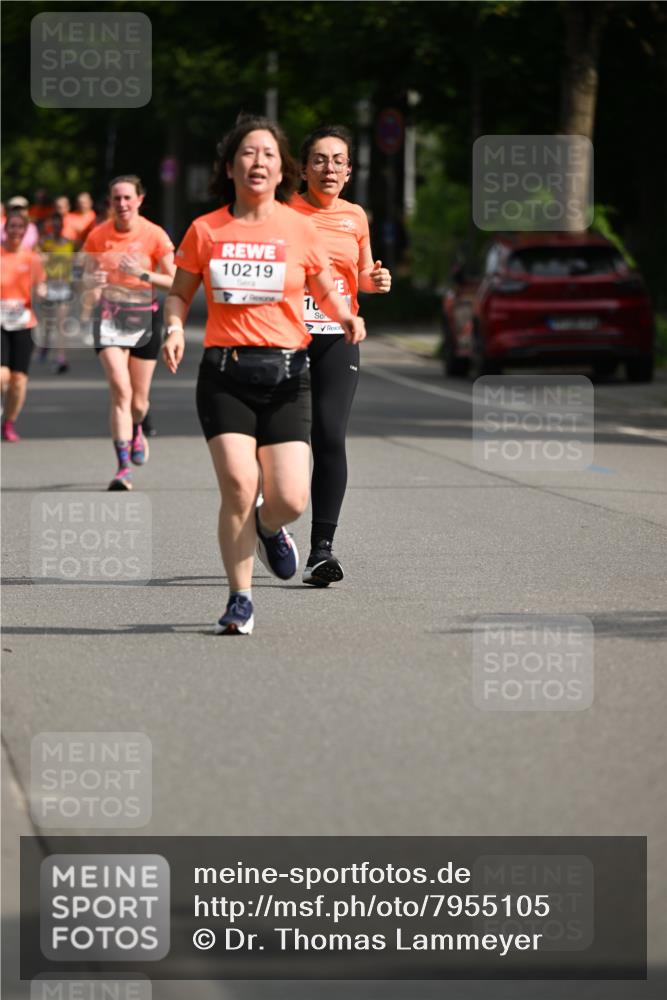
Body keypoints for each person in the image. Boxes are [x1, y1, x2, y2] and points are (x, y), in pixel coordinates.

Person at [163, 114, 365, 635]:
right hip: (225, 372)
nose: (258, 161)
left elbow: (323, 285)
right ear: (230, 167)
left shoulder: (298, 227)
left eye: (269, 154)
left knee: (290, 498)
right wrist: (171, 328)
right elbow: (181, 292)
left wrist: (344, 315)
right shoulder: (206, 229)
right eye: (248, 153)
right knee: (237, 484)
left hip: (286, 375)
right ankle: (240, 598)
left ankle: (270, 526)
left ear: (282, 171)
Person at [291, 125, 391, 586]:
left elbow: (363, 275)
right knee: (286, 442)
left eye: (337, 161)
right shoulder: (282, 211)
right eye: (319, 160)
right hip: (285, 338)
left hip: (338, 336)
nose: (328, 168)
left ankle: (320, 551)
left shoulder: (356, 216)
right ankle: (270, 522)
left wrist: (376, 280)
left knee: (329, 436)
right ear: (303, 167)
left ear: (348, 172)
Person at [82, 175, 175, 490]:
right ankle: (123, 468)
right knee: (120, 391)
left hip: (144, 319)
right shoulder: (97, 236)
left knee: (138, 400)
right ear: (110, 202)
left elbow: (175, 281)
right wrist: (91, 284)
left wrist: (143, 273)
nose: (121, 204)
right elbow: (85, 281)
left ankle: (137, 428)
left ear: (139, 200)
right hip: (108, 316)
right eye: (116, 199)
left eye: (127, 198)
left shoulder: (154, 234)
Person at [1, 211, 47, 441]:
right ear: (5, 229)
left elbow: (41, 286)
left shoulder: (32, 259)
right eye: (12, 226)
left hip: (23, 322)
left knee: (18, 381)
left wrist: (41, 291)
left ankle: (9, 423)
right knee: (2, 376)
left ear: (26, 231)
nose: (16, 231)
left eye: (21, 227)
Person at [39, 212, 76, 373]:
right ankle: (46, 344)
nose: (56, 228)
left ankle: (61, 357)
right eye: (53, 225)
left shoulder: (69, 244)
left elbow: (76, 265)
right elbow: (38, 264)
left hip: (64, 287)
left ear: (62, 226)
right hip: (49, 286)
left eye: (58, 225)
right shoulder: (45, 243)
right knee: (49, 323)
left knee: (61, 323)